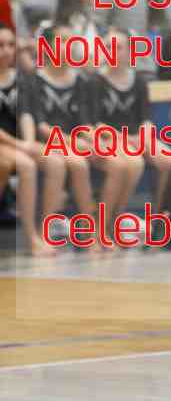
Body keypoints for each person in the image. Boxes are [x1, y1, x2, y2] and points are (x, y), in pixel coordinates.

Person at [20, 24, 143, 248]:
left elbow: (86, 123)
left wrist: (95, 142)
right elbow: (42, 127)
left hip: (76, 141)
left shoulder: (80, 81)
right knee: (78, 164)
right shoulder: (34, 80)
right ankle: (80, 231)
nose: (70, 46)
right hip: (49, 142)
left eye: (72, 41)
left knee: (121, 164)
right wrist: (74, 141)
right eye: (63, 41)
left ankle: (105, 227)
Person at [92, 27, 171, 213]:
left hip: (136, 137)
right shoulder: (95, 81)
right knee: (133, 162)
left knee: (170, 160)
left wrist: (145, 137)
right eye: (107, 47)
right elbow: (95, 123)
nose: (111, 52)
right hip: (109, 138)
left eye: (117, 48)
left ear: (130, 51)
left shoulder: (139, 81)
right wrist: (127, 140)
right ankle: (111, 216)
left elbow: (146, 118)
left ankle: (157, 214)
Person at [0, 23, 65, 256]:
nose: (6, 51)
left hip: (17, 141)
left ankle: (45, 231)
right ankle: (30, 237)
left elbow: (26, 113)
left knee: (56, 162)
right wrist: (21, 146)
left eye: (11, 45)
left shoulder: (22, 78)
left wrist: (28, 141)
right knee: (26, 165)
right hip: (4, 143)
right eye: (0, 45)